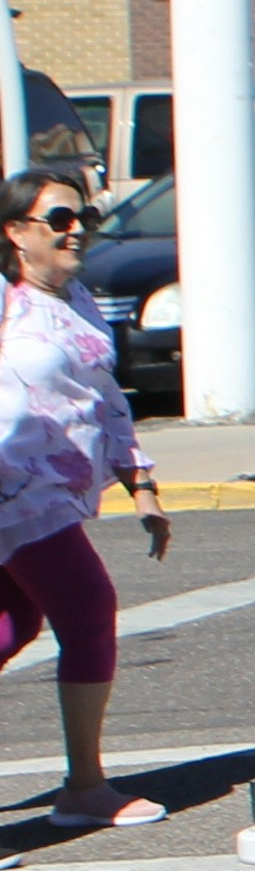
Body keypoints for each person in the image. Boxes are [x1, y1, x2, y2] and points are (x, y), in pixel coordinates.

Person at [1, 169, 164, 831]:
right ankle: (87, 785)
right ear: (15, 233)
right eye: (59, 220)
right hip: (14, 491)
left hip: (51, 492)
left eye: (83, 219)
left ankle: (84, 787)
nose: (77, 231)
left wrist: (141, 483)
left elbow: (107, 400)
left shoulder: (79, 300)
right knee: (89, 609)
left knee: (14, 626)